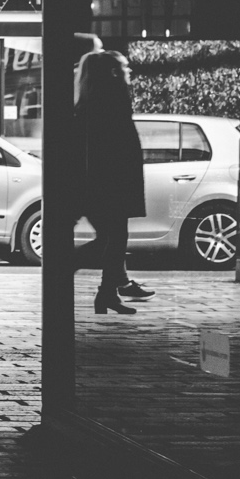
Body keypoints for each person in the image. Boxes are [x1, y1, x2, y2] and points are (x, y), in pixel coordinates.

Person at [74, 49, 153, 314]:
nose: (129, 72)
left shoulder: (93, 102)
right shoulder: (109, 103)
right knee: (111, 240)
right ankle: (66, 266)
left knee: (115, 238)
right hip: (111, 184)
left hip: (106, 183)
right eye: (125, 67)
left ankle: (109, 292)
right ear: (113, 72)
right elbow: (114, 149)